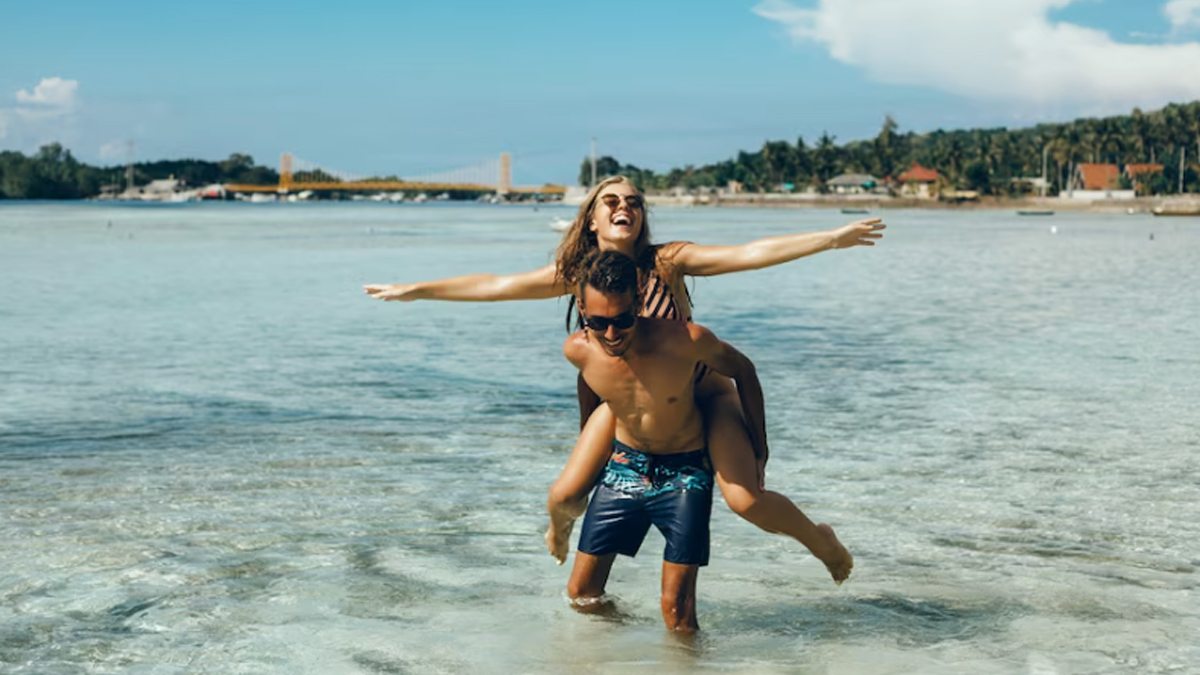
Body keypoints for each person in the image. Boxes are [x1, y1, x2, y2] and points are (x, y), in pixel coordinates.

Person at [364, 176, 883, 579]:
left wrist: (830, 239)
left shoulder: (670, 261)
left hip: (703, 393)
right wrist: (418, 289)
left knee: (745, 500)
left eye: (633, 202)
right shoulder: (577, 276)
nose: (623, 207)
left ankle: (823, 544)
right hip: (630, 403)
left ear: (642, 217)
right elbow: (497, 285)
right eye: (610, 201)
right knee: (563, 496)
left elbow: (747, 253)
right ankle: (559, 532)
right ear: (591, 219)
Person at [562, 250, 849, 632]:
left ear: (638, 302)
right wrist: (590, 447)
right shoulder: (578, 349)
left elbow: (743, 369)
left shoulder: (686, 341)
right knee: (584, 597)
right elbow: (590, 382)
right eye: (598, 322)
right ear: (582, 308)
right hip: (627, 467)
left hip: (685, 472)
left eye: (623, 320)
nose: (611, 334)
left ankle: (822, 544)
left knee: (678, 616)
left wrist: (760, 448)